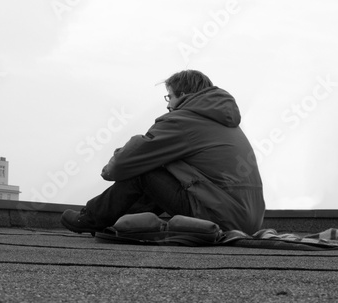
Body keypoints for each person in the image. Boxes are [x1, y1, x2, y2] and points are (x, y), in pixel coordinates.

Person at [61, 69, 265, 235]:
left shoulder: (184, 120)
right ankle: (115, 221)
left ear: (183, 96)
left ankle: (90, 219)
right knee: (162, 167)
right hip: (247, 220)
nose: (168, 105)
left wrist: (108, 169)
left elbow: (128, 160)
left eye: (169, 97)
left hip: (219, 217)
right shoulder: (224, 121)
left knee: (144, 172)